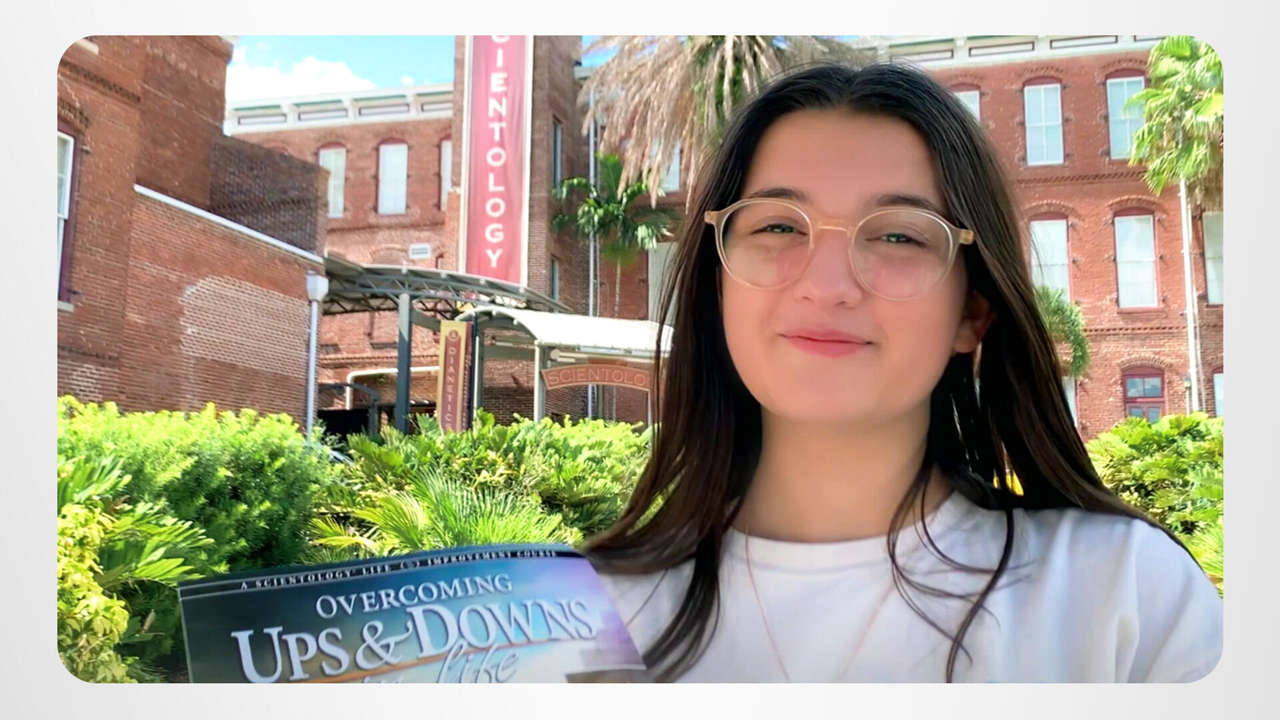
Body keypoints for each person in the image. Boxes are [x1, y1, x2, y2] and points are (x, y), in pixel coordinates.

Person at [581, 61, 1223, 683]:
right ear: (716, 285)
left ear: (973, 311)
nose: (828, 285)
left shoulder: (1125, 597)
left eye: (898, 236)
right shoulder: (570, 620)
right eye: (778, 225)